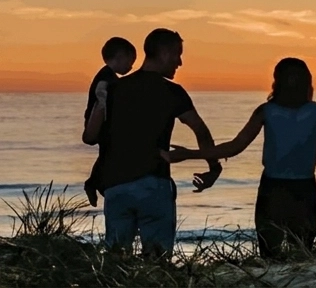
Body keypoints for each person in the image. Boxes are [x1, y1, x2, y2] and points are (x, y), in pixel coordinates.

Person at [162, 58, 316, 258]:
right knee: (297, 253)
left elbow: (235, 147)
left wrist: (189, 154)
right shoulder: (310, 112)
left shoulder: (277, 111)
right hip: (290, 190)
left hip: (282, 190)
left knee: (281, 254)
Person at [82, 28, 220, 257]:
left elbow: (89, 137)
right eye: (177, 54)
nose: (180, 62)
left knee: (117, 260)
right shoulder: (172, 92)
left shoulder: (114, 88)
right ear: (164, 53)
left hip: (116, 187)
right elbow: (200, 130)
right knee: (157, 261)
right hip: (152, 185)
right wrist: (213, 167)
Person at [84, 37, 137, 207]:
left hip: (106, 120)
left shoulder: (109, 75)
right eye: (130, 61)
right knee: (107, 152)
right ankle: (94, 183)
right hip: (101, 121)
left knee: (106, 153)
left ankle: (96, 182)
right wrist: (102, 99)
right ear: (120, 56)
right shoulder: (107, 76)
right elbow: (101, 88)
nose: (131, 67)